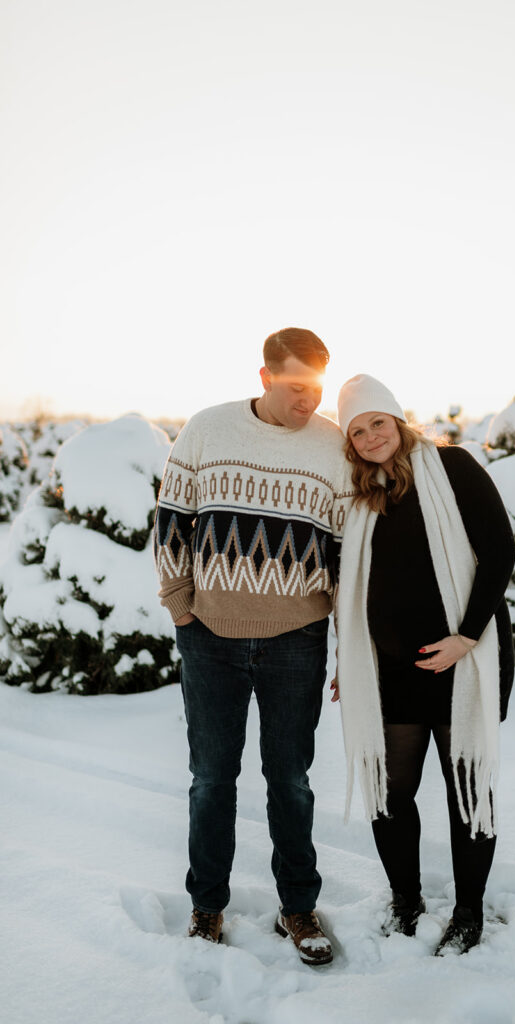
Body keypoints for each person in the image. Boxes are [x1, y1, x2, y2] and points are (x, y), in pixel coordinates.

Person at [153, 327, 353, 965]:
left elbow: (351, 557)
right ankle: (206, 906)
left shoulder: (333, 447)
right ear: (265, 377)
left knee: (289, 779)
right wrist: (184, 609)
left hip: (298, 639)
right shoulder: (207, 429)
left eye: (315, 389)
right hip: (210, 638)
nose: (307, 401)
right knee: (212, 779)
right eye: (296, 387)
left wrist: (346, 646)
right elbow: (169, 520)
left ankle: (297, 907)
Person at [333, 374, 515, 955]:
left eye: (376, 423)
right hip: (388, 671)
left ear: (398, 419)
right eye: (356, 431)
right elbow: (351, 588)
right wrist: (350, 659)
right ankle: (406, 902)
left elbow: (500, 551)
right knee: (391, 795)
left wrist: (465, 636)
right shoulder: (361, 493)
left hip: (463, 661)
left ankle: (468, 914)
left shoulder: (453, 467)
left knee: (466, 791)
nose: (369, 437)